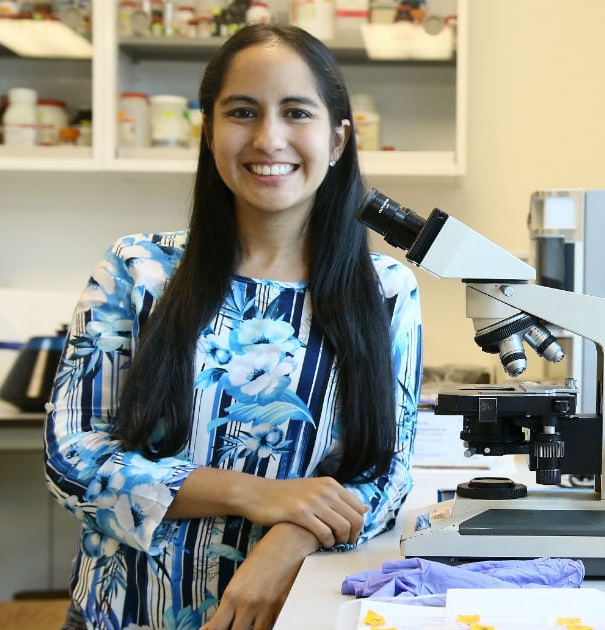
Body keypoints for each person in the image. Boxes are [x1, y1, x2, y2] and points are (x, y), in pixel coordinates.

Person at [44, 24, 422, 630]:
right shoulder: (138, 270)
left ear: (337, 140)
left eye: (296, 112)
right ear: (209, 132)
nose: (269, 138)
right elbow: (73, 457)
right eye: (242, 112)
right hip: (126, 616)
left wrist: (288, 542)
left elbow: (387, 473)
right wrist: (257, 494)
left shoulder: (385, 292)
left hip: (293, 612)